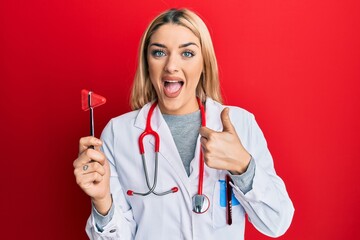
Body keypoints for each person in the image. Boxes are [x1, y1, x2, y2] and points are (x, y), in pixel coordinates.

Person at [73, 8, 294, 240]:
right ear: (147, 63)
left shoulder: (241, 124)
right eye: (159, 53)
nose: (171, 66)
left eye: (187, 53)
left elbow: (277, 223)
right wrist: (102, 202)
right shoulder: (119, 134)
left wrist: (242, 167)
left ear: (204, 63)